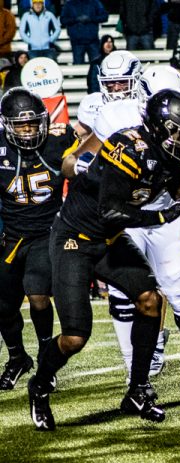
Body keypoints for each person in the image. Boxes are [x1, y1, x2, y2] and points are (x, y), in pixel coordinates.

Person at [26, 90, 180, 431]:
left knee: (150, 300)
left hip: (109, 238)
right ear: (160, 129)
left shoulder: (169, 154)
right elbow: (111, 209)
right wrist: (162, 219)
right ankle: (39, 386)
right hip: (76, 238)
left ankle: (138, 390)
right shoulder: (126, 148)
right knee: (75, 336)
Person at [84, 66, 180, 399]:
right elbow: (82, 155)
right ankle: (133, 373)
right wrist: (82, 169)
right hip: (126, 216)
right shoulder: (116, 117)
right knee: (126, 294)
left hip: (165, 214)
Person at [0, 88, 76, 391]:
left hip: (47, 232)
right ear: (7, 125)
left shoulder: (59, 140)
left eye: (32, 123)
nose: (28, 130)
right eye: (21, 125)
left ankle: (47, 356)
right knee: (3, 305)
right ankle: (18, 358)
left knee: (38, 294)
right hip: (12, 235)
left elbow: (85, 161)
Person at [60, 0, 108, 65]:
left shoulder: (95, 2)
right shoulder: (69, 4)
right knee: (78, 67)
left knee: (96, 66)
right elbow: (63, 20)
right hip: (77, 42)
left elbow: (104, 16)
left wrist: (91, 19)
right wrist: (76, 19)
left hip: (92, 40)